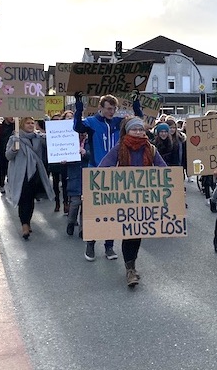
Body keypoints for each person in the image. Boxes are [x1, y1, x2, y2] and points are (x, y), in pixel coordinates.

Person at [73, 91, 143, 261]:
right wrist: (79, 104)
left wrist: (136, 103)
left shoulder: (119, 123)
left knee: (112, 211)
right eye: (109, 109)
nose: (112, 112)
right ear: (101, 108)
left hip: (115, 172)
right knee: (93, 210)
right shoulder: (91, 122)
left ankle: (109, 247)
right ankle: (90, 245)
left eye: (114, 108)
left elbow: (138, 121)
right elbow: (77, 127)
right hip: (96, 170)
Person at [98, 116, 167, 287]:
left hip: (144, 198)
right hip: (124, 198)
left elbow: (164, 170)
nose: (138, 132)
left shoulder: (151, 149)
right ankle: (130, 269)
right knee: (129, 234)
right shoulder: (119, 149)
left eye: (141, 129)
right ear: (127, 131)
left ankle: (131, 265)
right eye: (134, 129)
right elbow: (102, 169)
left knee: (137, 233)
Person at [5, 117, 54, 240]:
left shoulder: (38, 138)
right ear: (22, 125)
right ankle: (24, 225)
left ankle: (28, 221)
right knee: (23, 199)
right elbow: (8, 156)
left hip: (35, 173)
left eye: (33, 123)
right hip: (21, 174)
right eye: (28, 123)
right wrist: (14, 149)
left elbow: (51, 145)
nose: (31, 125)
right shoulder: (14, 138)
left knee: (30, 199)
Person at [66, 132, 88, 238]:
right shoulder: (70, 142)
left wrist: (86, 153)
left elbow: (94, 155)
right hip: (75, 176)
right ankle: (71, 222)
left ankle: (83, 229)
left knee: (86, 205)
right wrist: (64, 160)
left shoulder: (90, 142)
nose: (82, 134)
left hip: (87, 175)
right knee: (75, 203)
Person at [0, 117, 15, 193]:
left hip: (12, 150)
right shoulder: (0, 127)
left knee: (12, 168)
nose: (11, 117)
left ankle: (11, 184)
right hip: (2, 151)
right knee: (3, 169)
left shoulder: (15, 126)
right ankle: (2, 185)